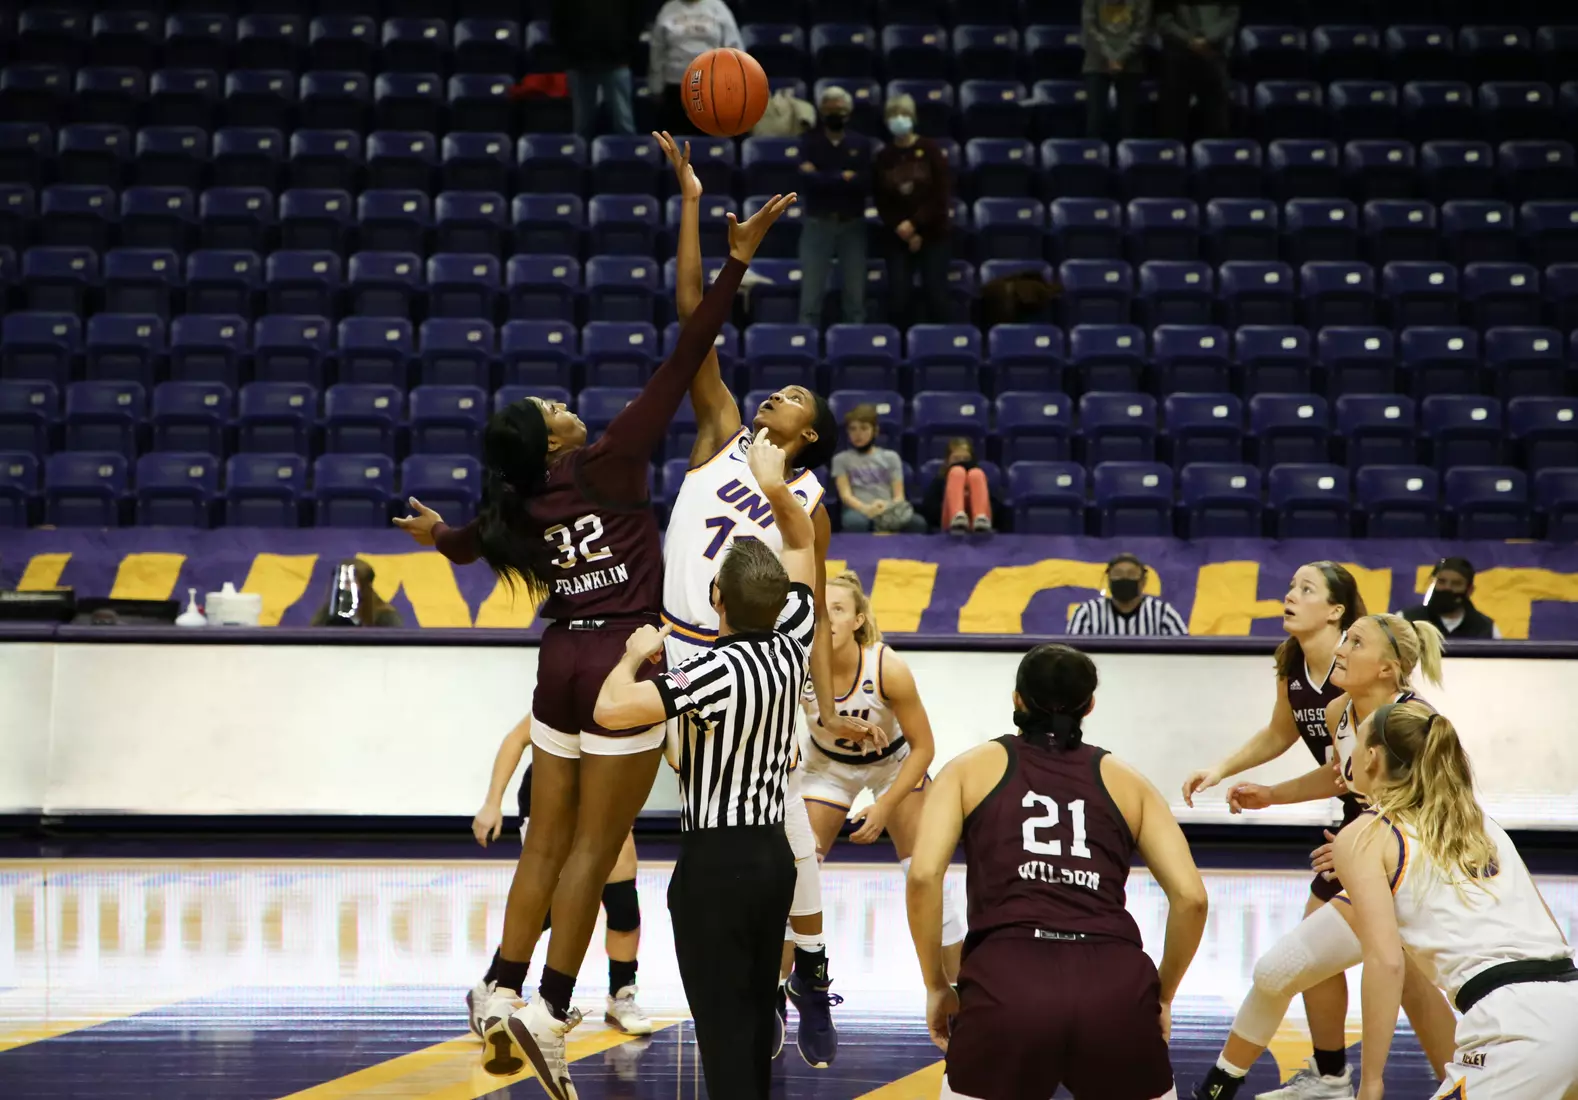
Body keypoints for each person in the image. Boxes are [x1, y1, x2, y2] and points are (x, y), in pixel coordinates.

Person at [393, 154, 793, 1098]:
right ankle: (551, 1010)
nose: (565, 406)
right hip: (622, 656)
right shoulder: (611, 463)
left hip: (558, 660)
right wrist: (733, 261)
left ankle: (498, 988)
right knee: (593, 851)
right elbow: (688, 348)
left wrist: (433, 534)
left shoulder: (514, 507)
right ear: (555, 444)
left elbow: (462, 543)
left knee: (545, 843)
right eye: (551, 410)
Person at [656, 130, 872, 1071]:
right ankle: (570, 984)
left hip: (759, 662)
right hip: (676, 649)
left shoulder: (812, 507)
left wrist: (823, 709)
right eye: (773, 389)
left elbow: (818, 614)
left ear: (810, 433)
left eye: (793, 397)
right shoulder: (719, 432)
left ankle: (811, 974)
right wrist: (695, 206)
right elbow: (691, 323)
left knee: (780, 821)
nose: (775, 390)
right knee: (701, 827)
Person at [592, 429, 818, 1100]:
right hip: (772, 855)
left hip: (715, 863)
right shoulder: (793, 641)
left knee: (719, 1028)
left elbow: (611, 710)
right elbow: (803, 545)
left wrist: (634, 654)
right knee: (752, 1016)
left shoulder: (714, 672)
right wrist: (775, 487)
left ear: (717, 602)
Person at [908, 643, 1209, 1100]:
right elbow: (1192, 898)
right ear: (1090, 705)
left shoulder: (967, 769)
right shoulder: (1129, 781)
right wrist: (1161, 995)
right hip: (1114, 986)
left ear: (1016, 699)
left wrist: (935, 983)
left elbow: (924, 875)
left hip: (1007, 983)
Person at [1190, 611, 1458, 1100]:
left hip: (1414, 865)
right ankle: (1329, 1078)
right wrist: (1272, 794)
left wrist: (1369, 848)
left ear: (1386, 668)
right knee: (1363, 975)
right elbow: (1341, 775)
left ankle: (1236, 1083)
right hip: (1367, 854)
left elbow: (1439, 809)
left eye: (1355, 642)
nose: (1340, 650)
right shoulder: (1339, 711)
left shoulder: (1411, 722)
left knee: (1406, 984)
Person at [1333, 700, 1578, 1100]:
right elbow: (1550, 926)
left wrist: (1372, 1081)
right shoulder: (1482, 823)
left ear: (1373, 758)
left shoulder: (1364, 836)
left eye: (1356, 744)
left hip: (1515, 1028)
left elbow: (1386, 961)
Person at [798, 571, 967, 980]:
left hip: (892, 764)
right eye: (823, 610)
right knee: (794, 875)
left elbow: (924, 746)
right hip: (828, 766)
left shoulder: (886, 666)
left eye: (839, 609)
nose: (830, 618)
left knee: (927, 878)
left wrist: (884, 807)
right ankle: (782, 996)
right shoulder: (795, 662)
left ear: (858, 619)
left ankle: (959, 990)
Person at [468, 715, 651, 1039]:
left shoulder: (641, 695)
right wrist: (491, 803)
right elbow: (516, 739)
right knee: (553, 904)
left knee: (622, 901)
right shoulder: (577, 691)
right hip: (552, 795)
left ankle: (621, 995)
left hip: (606, 796)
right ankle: (492, 984)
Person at [873, 92, 953, 328]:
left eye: (904, 114)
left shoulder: (930, 150)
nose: (899, 119)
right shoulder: (884, 157)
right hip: (898, 236)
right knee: (899, 298)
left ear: (913, 118)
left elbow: (941, 195)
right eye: (894, 115)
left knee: (936, 294)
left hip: (934, 234)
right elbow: (882, 201)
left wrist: (916, 225)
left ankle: (941, 349)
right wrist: (902, 226)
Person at [797, 86, 873, 328]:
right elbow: (806, 181)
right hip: (818, 223)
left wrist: (824, 176)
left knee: (855, 295)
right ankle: (804, 345)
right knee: (810, 295)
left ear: (848, 113)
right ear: (821, 112)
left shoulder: (861, 143)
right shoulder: (809, 142)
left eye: (838, 110)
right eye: (829, 110)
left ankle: (855, 350)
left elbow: (866, 182)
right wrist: (843, 177)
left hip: (852, 225)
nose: (834, 114)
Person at [647, 0, 742, 136]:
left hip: (712, 89)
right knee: (678, 143)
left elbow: (735, 48)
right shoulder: (668, 9)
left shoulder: (718, 8)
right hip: (675, 88)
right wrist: (656, 87)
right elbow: (657, 52)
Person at [550, 0, 641, 140]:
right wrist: (571, 56)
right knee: (582, 125)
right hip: (580, 65)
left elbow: (635, 22)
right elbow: (557, 25)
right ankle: (580, 159)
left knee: (624, 123)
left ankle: (629, 159)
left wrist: (625, 54)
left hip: (616, 63)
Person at [831, 404, 925, 533]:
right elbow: (846, 496)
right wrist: (866, 509)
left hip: (888, 508)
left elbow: (899, 496)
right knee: (855, 523)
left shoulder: (891, 457)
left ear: (875, 431)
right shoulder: (840, 459)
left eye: (864, 428)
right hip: (858, 510)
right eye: (853, 429)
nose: (858, 434)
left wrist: (886, 508)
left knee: (917, 523)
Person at [1156, 1, 1239, 142]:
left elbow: (1231, 14)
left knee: (1217, 121)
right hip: (1178, 57)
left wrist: (1208, 38)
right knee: (1173, 123)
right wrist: (1190, 40)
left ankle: (1216, 159)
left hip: (1213, 54)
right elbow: (1163, 19)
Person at [1067, 553, 1188, 636]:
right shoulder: (1087, 612)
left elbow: (1185, 651)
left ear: (1143, 581)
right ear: (1109, 579)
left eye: (1131, 574)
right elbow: (1072, 655)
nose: (1124, 578)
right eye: (1118, 574)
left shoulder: (1162, 612)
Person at [1082, 0, 1152, 142]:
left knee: (1129, 125)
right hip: (1097, 62)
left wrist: (1121, 57)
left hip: (1131, 64)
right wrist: (1111, 56)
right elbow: (1089, 28)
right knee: (1094, 122)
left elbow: (1143, 29)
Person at [1401, 556, 1502, 640]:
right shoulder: (1405, 620)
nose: (1447, 588)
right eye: (1441, 581)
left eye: (1456, 584)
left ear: (1470, 590)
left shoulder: (1486, 629)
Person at [921, 437, 996, 534]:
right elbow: (929, 508)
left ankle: (980, 518)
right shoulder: (940, 480)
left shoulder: (980, 477)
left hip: (980, 521)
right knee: (957, 472)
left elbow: (994, 505)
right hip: (950, 522)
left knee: (976, 474)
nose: (962, 462)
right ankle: (958, 517)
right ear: (948, 460)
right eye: (956, 459)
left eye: (966, 459)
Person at [310, 558, 402, 626]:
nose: (342, 587)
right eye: (339, 582)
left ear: (364, 586)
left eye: (348, 582)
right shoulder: (328, 614)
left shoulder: (385, 616)